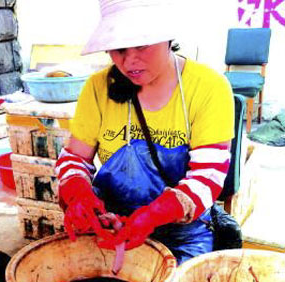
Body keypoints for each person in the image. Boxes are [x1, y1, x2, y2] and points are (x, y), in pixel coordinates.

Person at [55, 0, 235, 264]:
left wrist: (152, 215)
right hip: (114, 226)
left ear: (167, 38)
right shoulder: (97, 87)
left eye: (141, 44)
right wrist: (78, 192)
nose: (129, 61)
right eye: (118, 49)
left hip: (184, 232)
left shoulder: (209, 87)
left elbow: (208, 177)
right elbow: (74, 159)